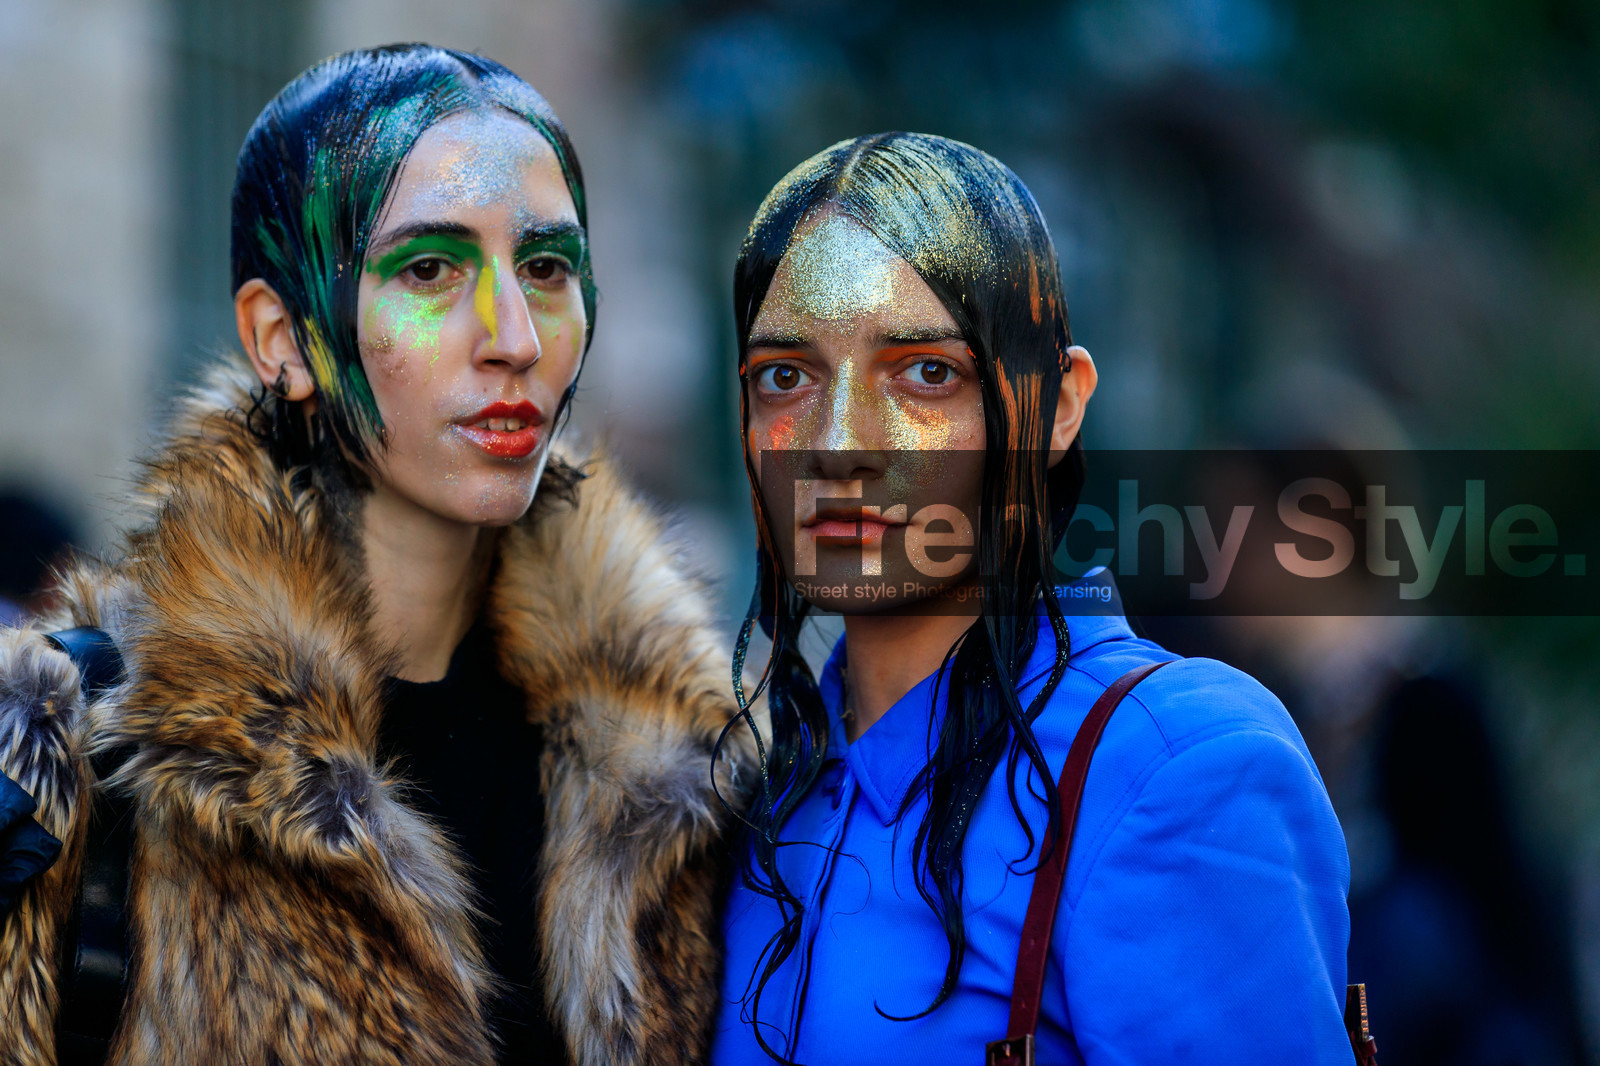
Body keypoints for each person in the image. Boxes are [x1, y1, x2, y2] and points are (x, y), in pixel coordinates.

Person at [0, 45, 748, 1066]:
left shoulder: (685, 772)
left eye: (546, 267)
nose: (514, 336)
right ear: (282, 340)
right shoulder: (76, 752)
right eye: (431, 268)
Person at [711, 133, 1353, 1064]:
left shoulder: (1176, 765)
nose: (838, 443)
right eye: (786, 376)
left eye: (926, 372)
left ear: (1058, 404)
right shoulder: (753, 795)